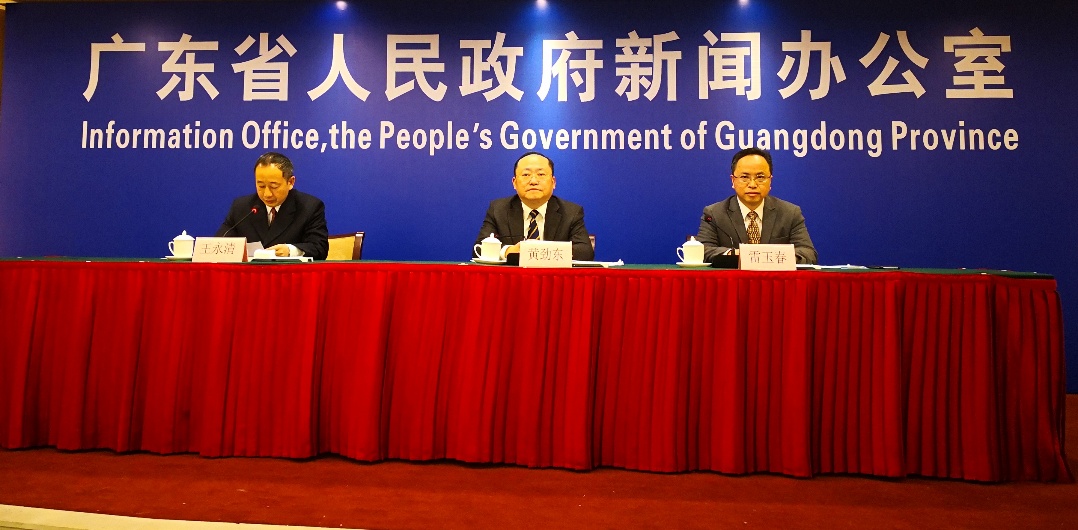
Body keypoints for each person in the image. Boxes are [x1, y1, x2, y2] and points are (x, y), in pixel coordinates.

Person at [696, 147, 817, 264]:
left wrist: (768, 256)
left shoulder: (790, 213)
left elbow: (808, 253)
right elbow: (703, 250)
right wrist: (738, 254)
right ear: (733, 180)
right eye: (745, 177)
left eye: (760, 177)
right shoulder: (714, 213)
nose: (752, 184)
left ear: (770, 180)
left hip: (774, 278)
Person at [474, 151, 594, 261]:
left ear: (553, 182)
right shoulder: (498, 209)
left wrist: (537, 251)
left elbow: (585, 252)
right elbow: (479, 249)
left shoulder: (571, 212)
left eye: (541, 174)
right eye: (526, 175)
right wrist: (508, 251)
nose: (533, 181)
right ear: (514, 183)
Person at [216, 152, 329, 260]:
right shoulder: (241, 207)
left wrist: (290, 250)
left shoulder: (310, 207)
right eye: (261, 186)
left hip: (287, 272)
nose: (267, 194)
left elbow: (319, 248)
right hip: (250, 272)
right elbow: (220, 244)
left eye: (274, 186)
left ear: (290, 182)